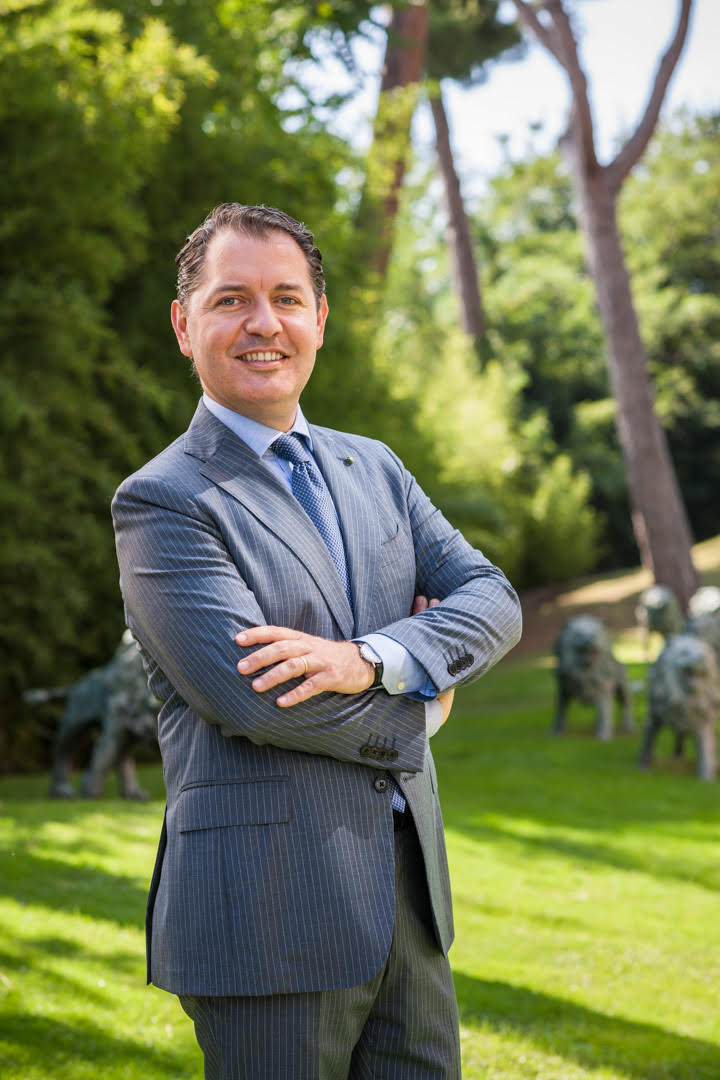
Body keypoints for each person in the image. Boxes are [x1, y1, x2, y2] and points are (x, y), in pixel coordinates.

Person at [111, 203, 522, 1079]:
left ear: (320, 318)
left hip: (410, 905)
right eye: (231, 300)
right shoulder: (163, 500)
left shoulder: (376, 466)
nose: (264, 323)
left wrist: (371, 659)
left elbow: (493, 598)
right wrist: (427, 707)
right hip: (268, 917)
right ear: (184, 327)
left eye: (287, 298)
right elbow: (257, 699)